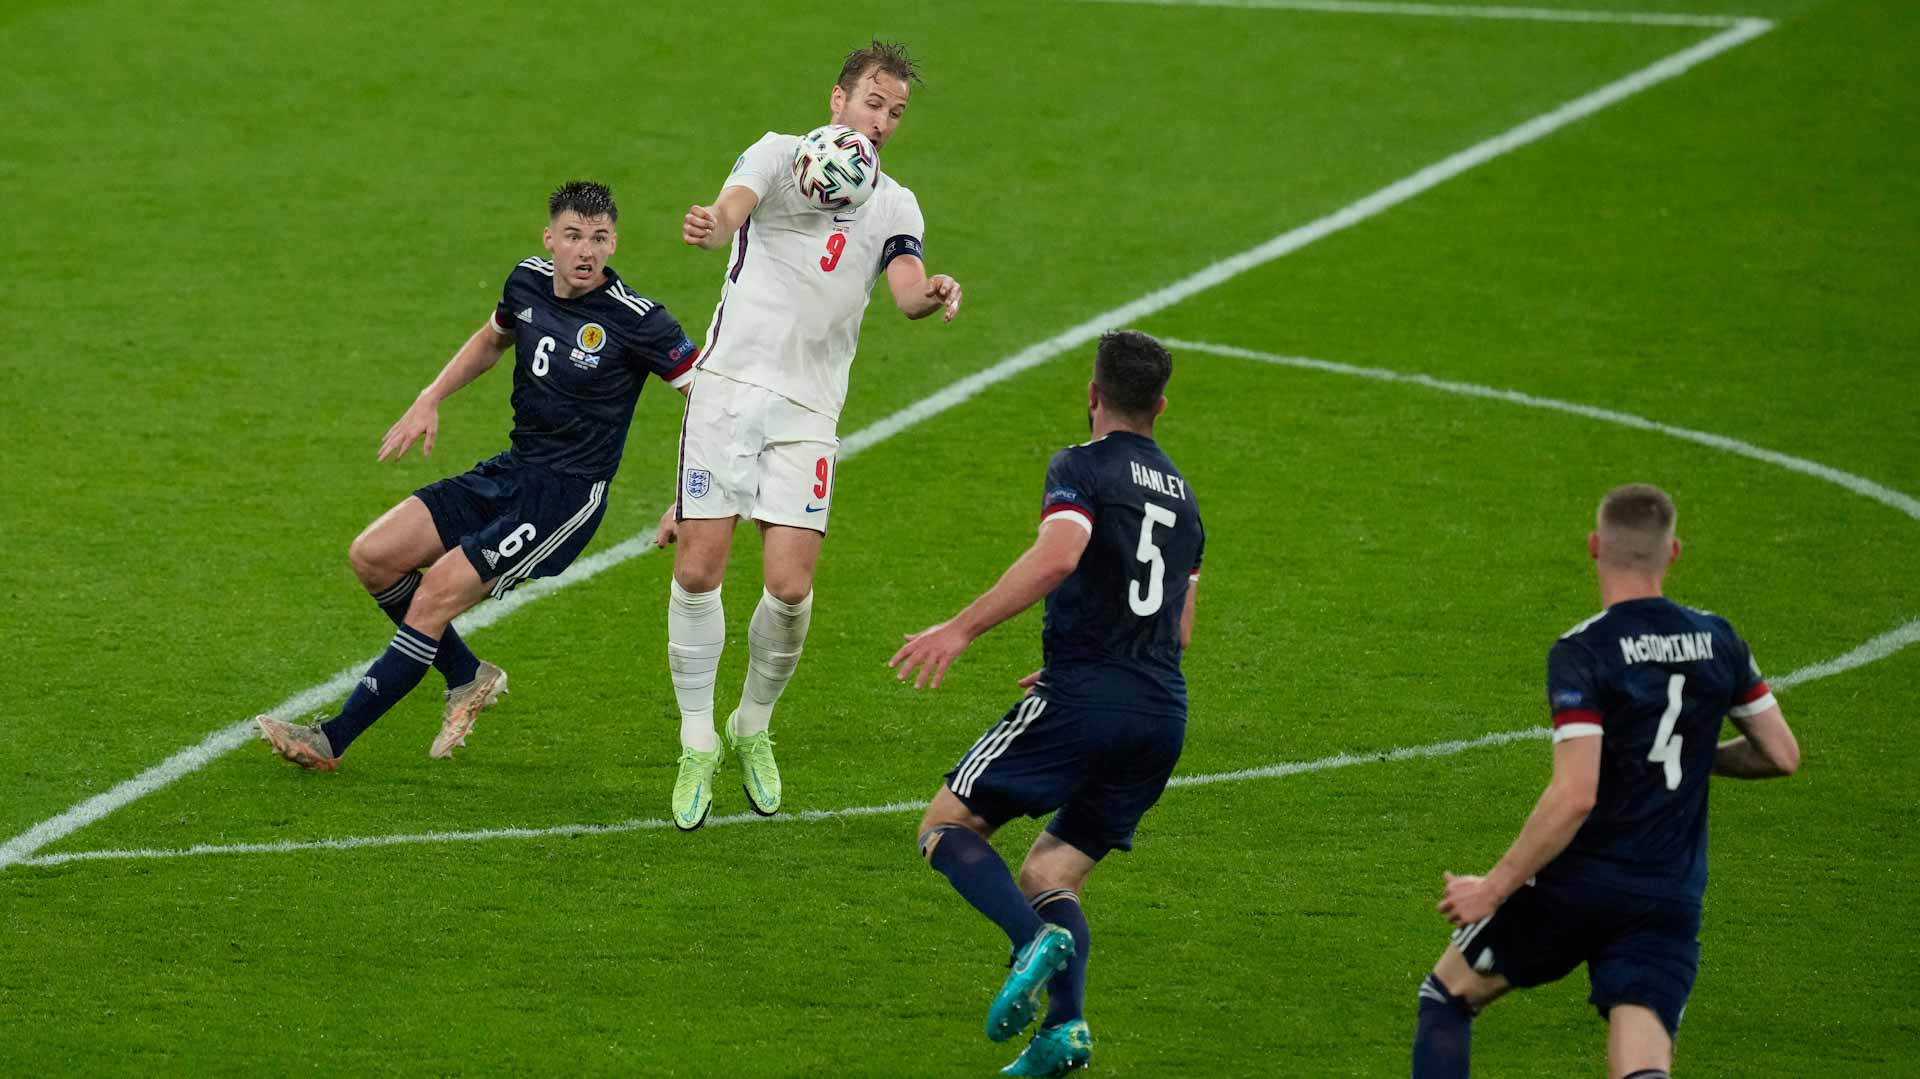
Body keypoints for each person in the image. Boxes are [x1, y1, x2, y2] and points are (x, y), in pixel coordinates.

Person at [257, 181, 700, 770]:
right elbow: (494, 338)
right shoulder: (525, 280)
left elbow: (710, 401)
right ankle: (467, 675)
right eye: (572, 236)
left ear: (614, 241)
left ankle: (329, 740)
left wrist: (690, 494)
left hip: (564, 498)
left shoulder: (639, 322)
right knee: (374, 555)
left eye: (598, 239)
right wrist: (431, 395)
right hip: (513, 469)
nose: (585, 251)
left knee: (436, 592)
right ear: (550, 239)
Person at [658, 39, 964, 830]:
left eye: (896, 111)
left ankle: (751, 724)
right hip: (726, 391)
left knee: (791, 588)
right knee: (699, 570)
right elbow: (734, 207)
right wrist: (711, 223)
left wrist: (931, 295)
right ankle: (698, 740)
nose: (884, 120)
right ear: (838, 99)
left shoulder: (895, 203)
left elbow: (902, 289)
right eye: (873, 102)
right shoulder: (776, 153)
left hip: (808, 411)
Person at [891, 331, 1202, 1077]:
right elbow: (1178, 625)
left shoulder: (1082, 465)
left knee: (944, 826)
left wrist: (959, 628)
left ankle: (1029, 942)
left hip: (1086, 697)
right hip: (1161, 712)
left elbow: (1061, 552)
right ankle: (1063, 1027)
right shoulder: (1187, 500)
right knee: (1052, 872)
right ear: (1161, 405)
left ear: (1092, 394)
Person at [1411, 484, 1801, 1079]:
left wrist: (1492, 888)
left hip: (1576, 886)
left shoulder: (1585, 650)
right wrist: (1696, 755)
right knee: (1642, 1069)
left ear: (1595, 546)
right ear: (1673, 553)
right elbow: (1781, 753)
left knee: (1447, 999)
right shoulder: (1719, 639)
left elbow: (1575, 794)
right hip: (1667, 894)